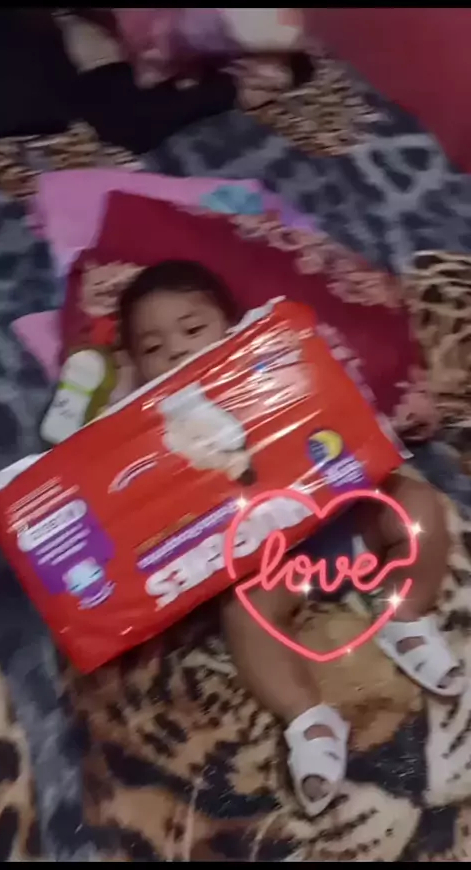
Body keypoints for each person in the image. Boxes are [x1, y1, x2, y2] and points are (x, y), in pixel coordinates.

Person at [118, 258, 465, 819]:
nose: (177, 351)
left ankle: (404, 614)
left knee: (418, 505)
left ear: (232, 329)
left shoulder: (271, 362)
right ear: (136, 366)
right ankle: (307, 720)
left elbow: (342, 414)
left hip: (343, 519)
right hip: (270, 562)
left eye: (193, 328)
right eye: (153, 348)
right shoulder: (145, 425)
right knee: (242, 614)